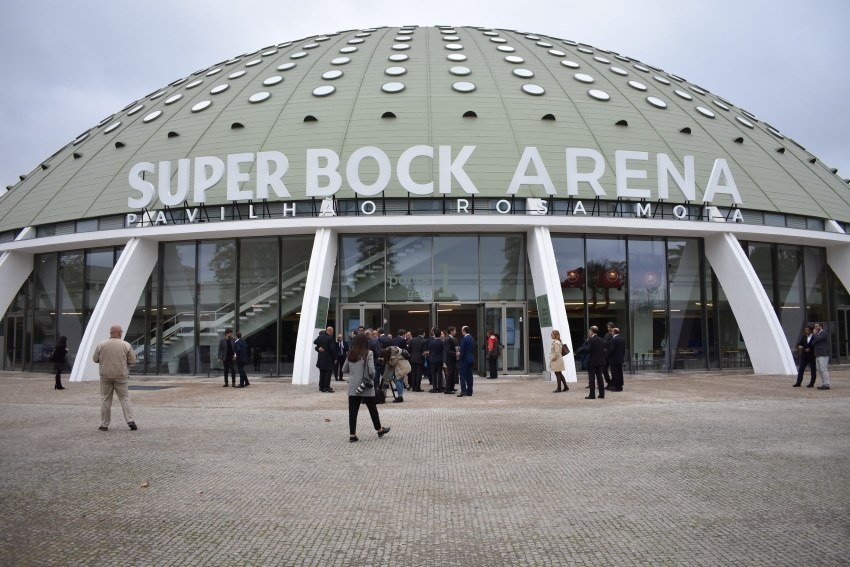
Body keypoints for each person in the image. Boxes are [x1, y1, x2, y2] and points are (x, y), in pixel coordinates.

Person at [344, 332, 390, 442]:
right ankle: (379, 430)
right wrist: (371, 378)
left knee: (353, 412)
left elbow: (344, 370)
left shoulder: (351, 353)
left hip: (353, 387)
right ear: (366, 342)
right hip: (366, 385)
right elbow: (372, 370)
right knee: (372, 409)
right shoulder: (368, 353)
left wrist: (354, 373)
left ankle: (352, 435)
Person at [92, 324, 137, 431]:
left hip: (105, 376)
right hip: (121, 375)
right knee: (124, 398)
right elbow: (132, 361)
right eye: (121, 331)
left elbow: (95, 359)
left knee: (105, 400)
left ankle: (104, 424)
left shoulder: (101, 345)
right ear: (119, 333)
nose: (122, 333)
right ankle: (130, 420)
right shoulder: (126, 345)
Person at [314, 326, 337, 393]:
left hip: (321, 358)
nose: (333, 332)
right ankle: (326, 387)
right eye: (332, 331)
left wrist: (319, 348)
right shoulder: (330, 338)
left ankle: (321, 387)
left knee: (322, 373)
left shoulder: (320, 337)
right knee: (328, 373)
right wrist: (335, 357)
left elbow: (315, 343)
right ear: (329, 331)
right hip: (328, 359)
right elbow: (332, 349)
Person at [585, 326, 606, 400]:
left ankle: (592, 395)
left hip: (592, 362)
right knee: (600, 378)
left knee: (592, 379)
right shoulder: (601, 339)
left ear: (592, 331)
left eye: (589, 331)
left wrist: (587, 343)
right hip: (600, 361)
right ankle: (602, 394)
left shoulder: (591, 340)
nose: (588, 333)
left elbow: (588, 349)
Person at [811, 322, 831, 390]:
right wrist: (815, 337)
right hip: (817, 353)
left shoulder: (824, 333)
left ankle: (826, 384)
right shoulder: (818, 334)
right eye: (815, 326)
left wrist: (814, 334)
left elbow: (818, 339)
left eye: (816, 326)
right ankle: (823, 383)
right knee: (819, 370)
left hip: (823, 353)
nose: (815, 328)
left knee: (823, 369)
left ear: (821, 326)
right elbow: (813, 342)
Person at [458, 325, 476, 397]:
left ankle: (463, 391)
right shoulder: (472, 338)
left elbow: (462, 350)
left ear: (464, 331)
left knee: (462, 375)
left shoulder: (464, 339)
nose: (461, 332)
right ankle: (470, 391)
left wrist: (460, 358)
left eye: (462, 331)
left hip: (464, 359)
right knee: (469, 375)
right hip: (471, 358)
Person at [608, 327, 626, 391]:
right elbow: (623, 350)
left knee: (615, 373)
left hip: (614, 359)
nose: (611, 332)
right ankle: (620, 385)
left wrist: (608, 355)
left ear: (614, 332)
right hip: (620, 359)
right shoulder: (622, 339)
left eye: (612, 331)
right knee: (620, 372)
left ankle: (616, 387)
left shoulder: (614, 339)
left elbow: (611, 350)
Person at [428, 327, 445, 393]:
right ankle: (440, 388)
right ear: (440, 335)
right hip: (440, 359)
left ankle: (434, 388)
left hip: (433, 359)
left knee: (434, 374)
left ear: (434, 334)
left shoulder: (432, 342)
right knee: (440, 374)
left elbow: (429, 349)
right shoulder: (442, 342)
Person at [444, 326, 459, 394]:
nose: (455, 332)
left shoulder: (452, 338)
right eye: (454, 331)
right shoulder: (448, 339)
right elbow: (448, 350)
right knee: (450, 374)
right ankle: (447, 389)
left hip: (452, 359)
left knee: (452, 373)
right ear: (451, 331)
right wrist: (456, 353)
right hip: (450, 359)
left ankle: (451, 387)